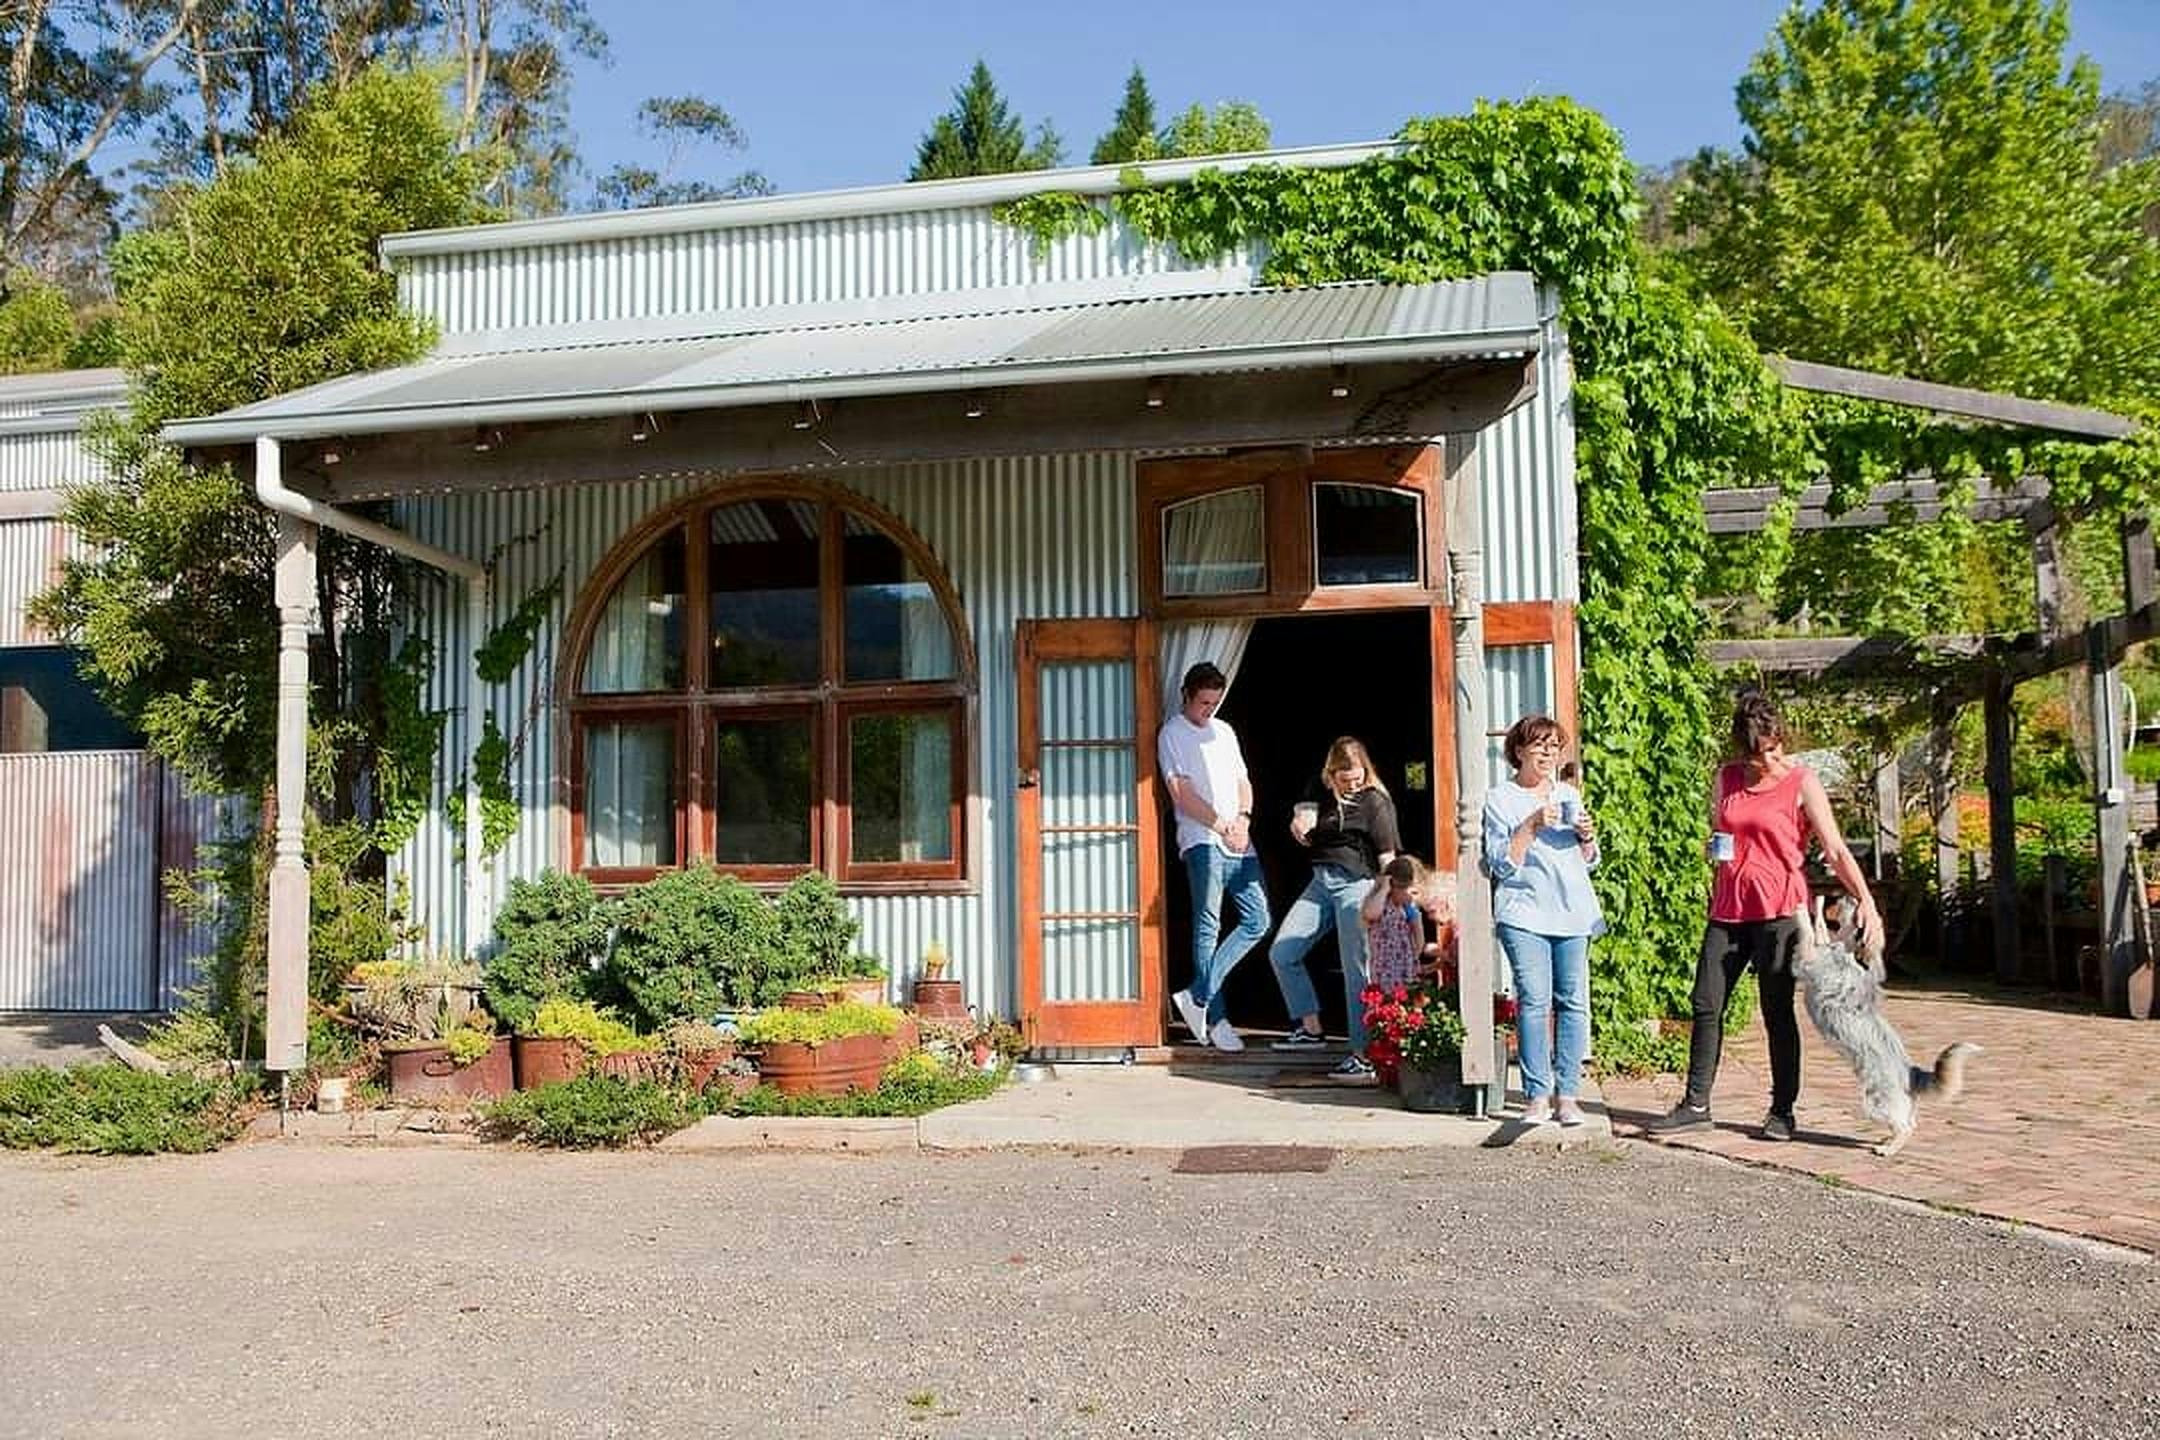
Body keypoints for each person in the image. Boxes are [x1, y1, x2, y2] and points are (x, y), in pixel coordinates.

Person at [1650, 689, 1883, 1142]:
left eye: (1775, 749)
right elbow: (1720, 833)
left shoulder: (1801, 781)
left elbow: (1834, 849)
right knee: (1705, 1002)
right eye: (1760, 754)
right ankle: (1696, 1104)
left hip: (1780, 911)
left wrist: (1866, 900)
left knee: (1776, 1010)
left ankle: (1782, 1112)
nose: (1770, 761)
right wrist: (1715, 851)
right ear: (1743, 749)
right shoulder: (1727, 778)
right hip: (1729, 908)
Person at [1482, 715, 1604, 1127]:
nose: (1550, 754)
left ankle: (1568, 1096)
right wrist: (1532, 824)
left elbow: (1589, 863)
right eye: (1541, 746)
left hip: (1573, 912)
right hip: (1524, 913)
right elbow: (1500, 864)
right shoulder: (1500, 799)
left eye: (1555, 747)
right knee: (1534, 1000)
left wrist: (1587, 837)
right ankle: (1537, 1096)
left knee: (1573, 1002)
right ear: (1518, 750)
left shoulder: (1569, 793)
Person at [1269, 737, 1400, 1077]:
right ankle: (1311, 1029)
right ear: (1332, 773)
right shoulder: (1321, 790)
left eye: (1357, 777)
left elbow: (1388, 856)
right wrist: (1297, 821)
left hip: (1357, 884)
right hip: (1320, 882)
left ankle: (1364, 1054)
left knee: (1356, 969)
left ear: (1365, 770)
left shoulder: (1375, 802)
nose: (1353, 784)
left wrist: (1383, 896)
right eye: (1345, 779)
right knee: (1283, 952)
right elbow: (1303, 813)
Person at [1158, 661, 1268, 1052]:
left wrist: (1243, 819)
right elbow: (1182, 794)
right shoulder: (1172, 733)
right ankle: (1216, 1018)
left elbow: (1243, 782)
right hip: (1202, 837)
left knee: (1258, 919)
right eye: (1204, 702)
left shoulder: (1225, 731)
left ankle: (1197, 996)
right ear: (1187, 695)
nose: (1210, 710)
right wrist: (1222, 825)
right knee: (1209, 925)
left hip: (1237, 836)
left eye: (1216, 702)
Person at [1361, 854, 1453, 996]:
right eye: (1412, 892)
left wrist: (1413, 958)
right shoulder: (1381, 904)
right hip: (1385, 973)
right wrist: (1384, 888)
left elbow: (1419, 940)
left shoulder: (1409, 909)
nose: (1414, 898)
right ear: (1394, 886)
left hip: (1404, 972)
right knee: (1388, 1006)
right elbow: (1370, 914)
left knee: (1406, 1006)